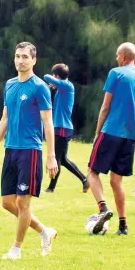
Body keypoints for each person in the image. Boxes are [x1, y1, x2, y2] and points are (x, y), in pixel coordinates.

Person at [0, 42, 58, 260]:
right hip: (11, 149)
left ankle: (16, 249)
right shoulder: (10, 85)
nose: (20, 61)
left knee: (23, 203)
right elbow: (4, 119)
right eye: (17, 56)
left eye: (25, 57)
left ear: (34, 60)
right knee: (7, 202)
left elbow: (48, 123)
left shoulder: (39, 87)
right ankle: (45, 231)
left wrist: (51, 155)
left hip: (30, 151)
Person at [87, 42, 135, 235]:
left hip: (111, 131)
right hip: (131, 137)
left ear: (124, 57)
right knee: (117, 181)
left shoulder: (116, 73)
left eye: (117, 55)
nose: (116, 58)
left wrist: (98, 132)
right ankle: (123, 225)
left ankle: (103, 209)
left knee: (92, 172)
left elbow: (105, 106)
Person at [42, 63, 89, 193]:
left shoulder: (67, 86)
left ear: (57, 76)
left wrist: (54, 82)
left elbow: (46, 77)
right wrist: (55, 85)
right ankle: (85, 180)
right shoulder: (63, 88)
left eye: (54, 75)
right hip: (61, 127)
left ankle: (51, 188)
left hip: (62, 127)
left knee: (56, 158)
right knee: (62, 159)